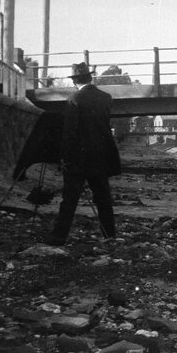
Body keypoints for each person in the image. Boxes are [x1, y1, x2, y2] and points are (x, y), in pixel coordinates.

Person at [45, 62, 121, 245]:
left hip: (78, 159)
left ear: (75, 81)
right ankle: (109, 236)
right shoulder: (106, 98)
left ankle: (58, 238)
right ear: (90, 77)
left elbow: (69, 133)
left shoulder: (74, 99)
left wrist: (64, 157)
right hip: (101, 157)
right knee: (103, 198)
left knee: (69, 200)